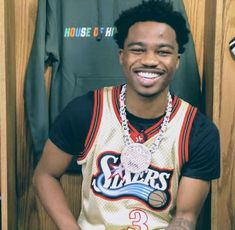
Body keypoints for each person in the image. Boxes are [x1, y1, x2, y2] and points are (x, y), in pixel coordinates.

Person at [33, 0, 220, 229]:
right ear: (122, 56)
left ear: (177, 61)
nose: (149, 60)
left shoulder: (199, 131)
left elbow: (184, 218)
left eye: (163, 51)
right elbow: (45, 175)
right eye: (138, 50)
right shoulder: (86, 111)